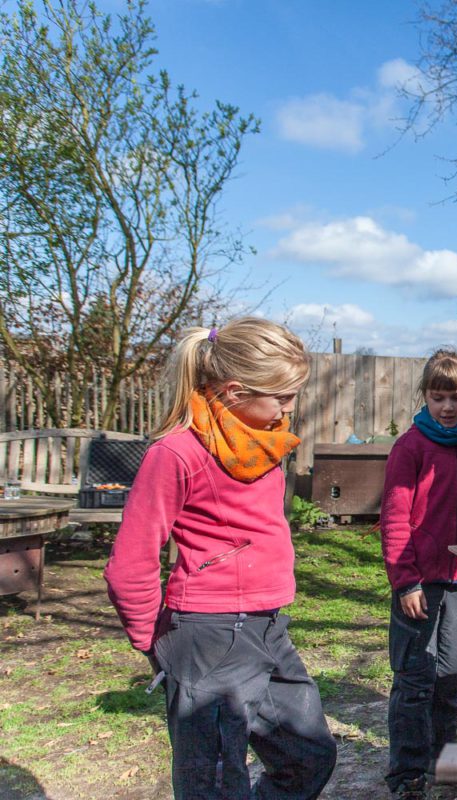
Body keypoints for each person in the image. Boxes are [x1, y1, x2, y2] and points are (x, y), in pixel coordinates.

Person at [104, 318, 337, 800]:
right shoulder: (175, 453)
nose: (291, 408)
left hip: (267, 626)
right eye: (283, 396)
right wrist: (153, 642)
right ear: (233, 391)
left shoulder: (262, 445)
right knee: (213, 783)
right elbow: (131, 564)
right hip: (208, 634)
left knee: (309, 755)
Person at [379, 349, 457, 799]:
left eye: (456, 397)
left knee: (451, 672)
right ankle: (406, 772)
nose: (447, 406)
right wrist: (404, 579)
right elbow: (393, 518)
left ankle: (443, 762)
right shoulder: (410, 447)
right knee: (413, 676)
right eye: (438, 396)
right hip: (418, 581)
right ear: (424, 395)